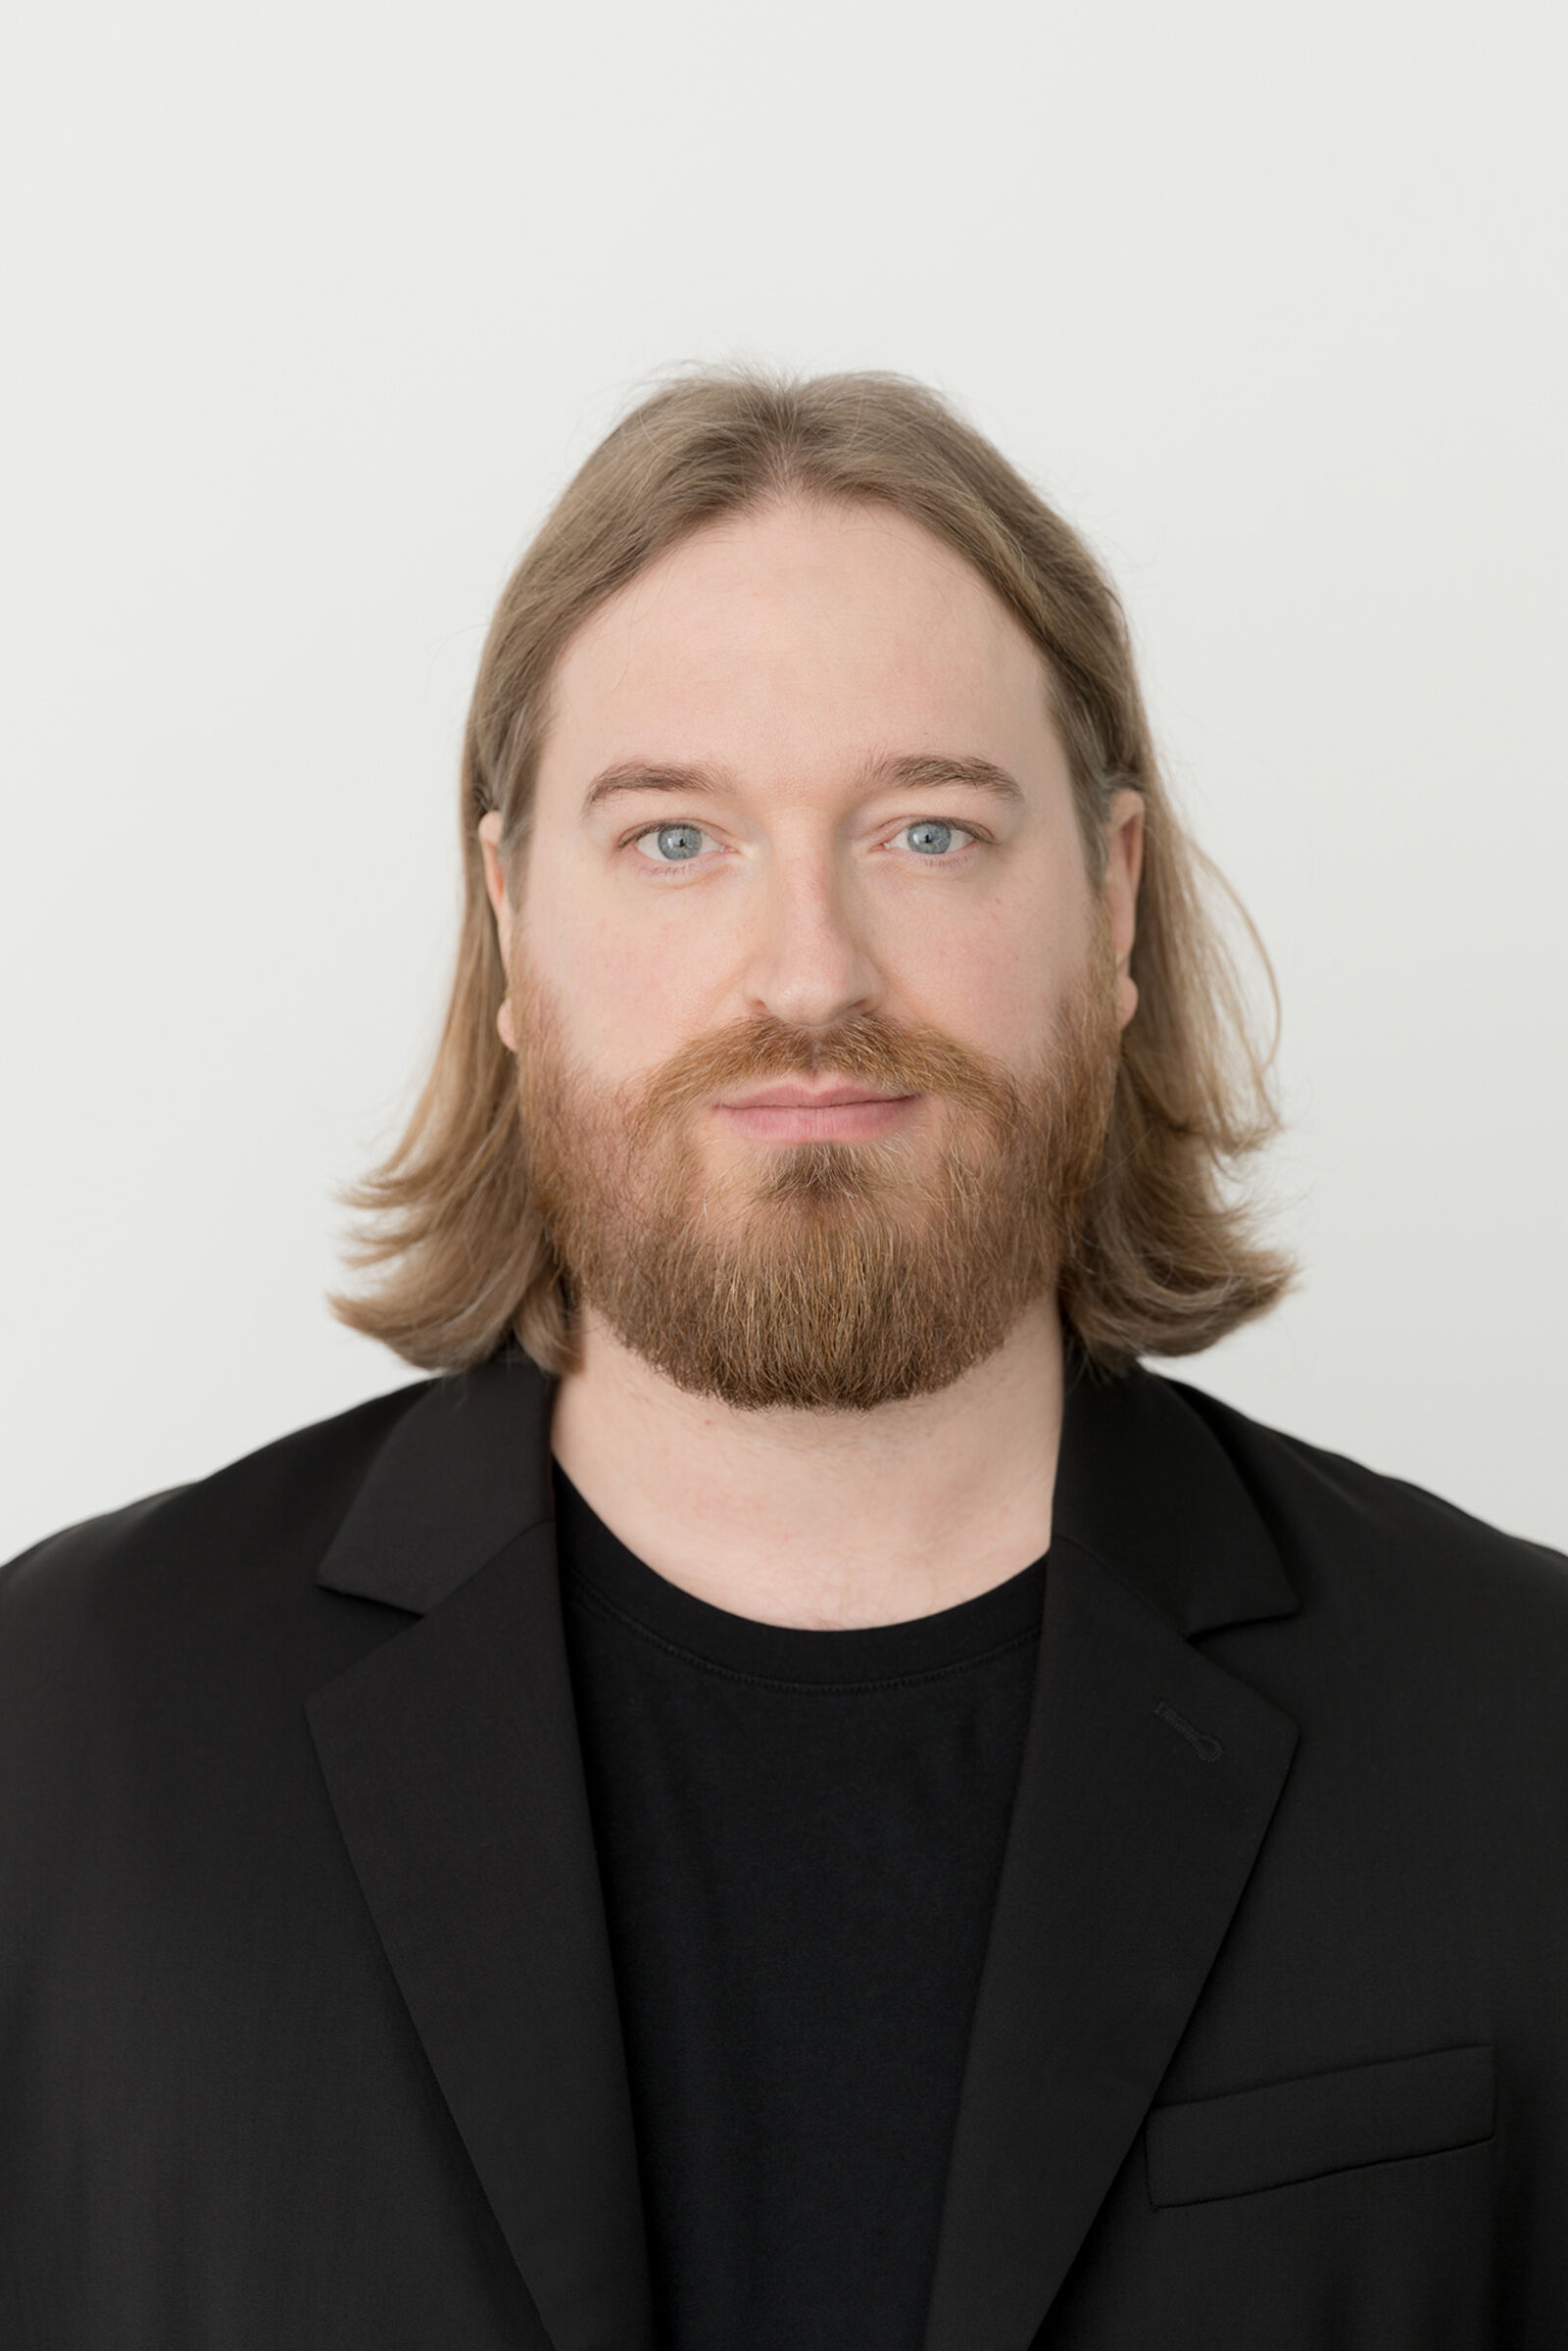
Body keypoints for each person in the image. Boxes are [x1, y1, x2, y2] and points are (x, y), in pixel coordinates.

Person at [2, 368, 1563, 2351]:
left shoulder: (1522, 1736)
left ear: (1110, 901)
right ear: (510, 919)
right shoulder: (61, 1737)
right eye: (676, 839)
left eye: (927, 831)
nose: (811, 973)